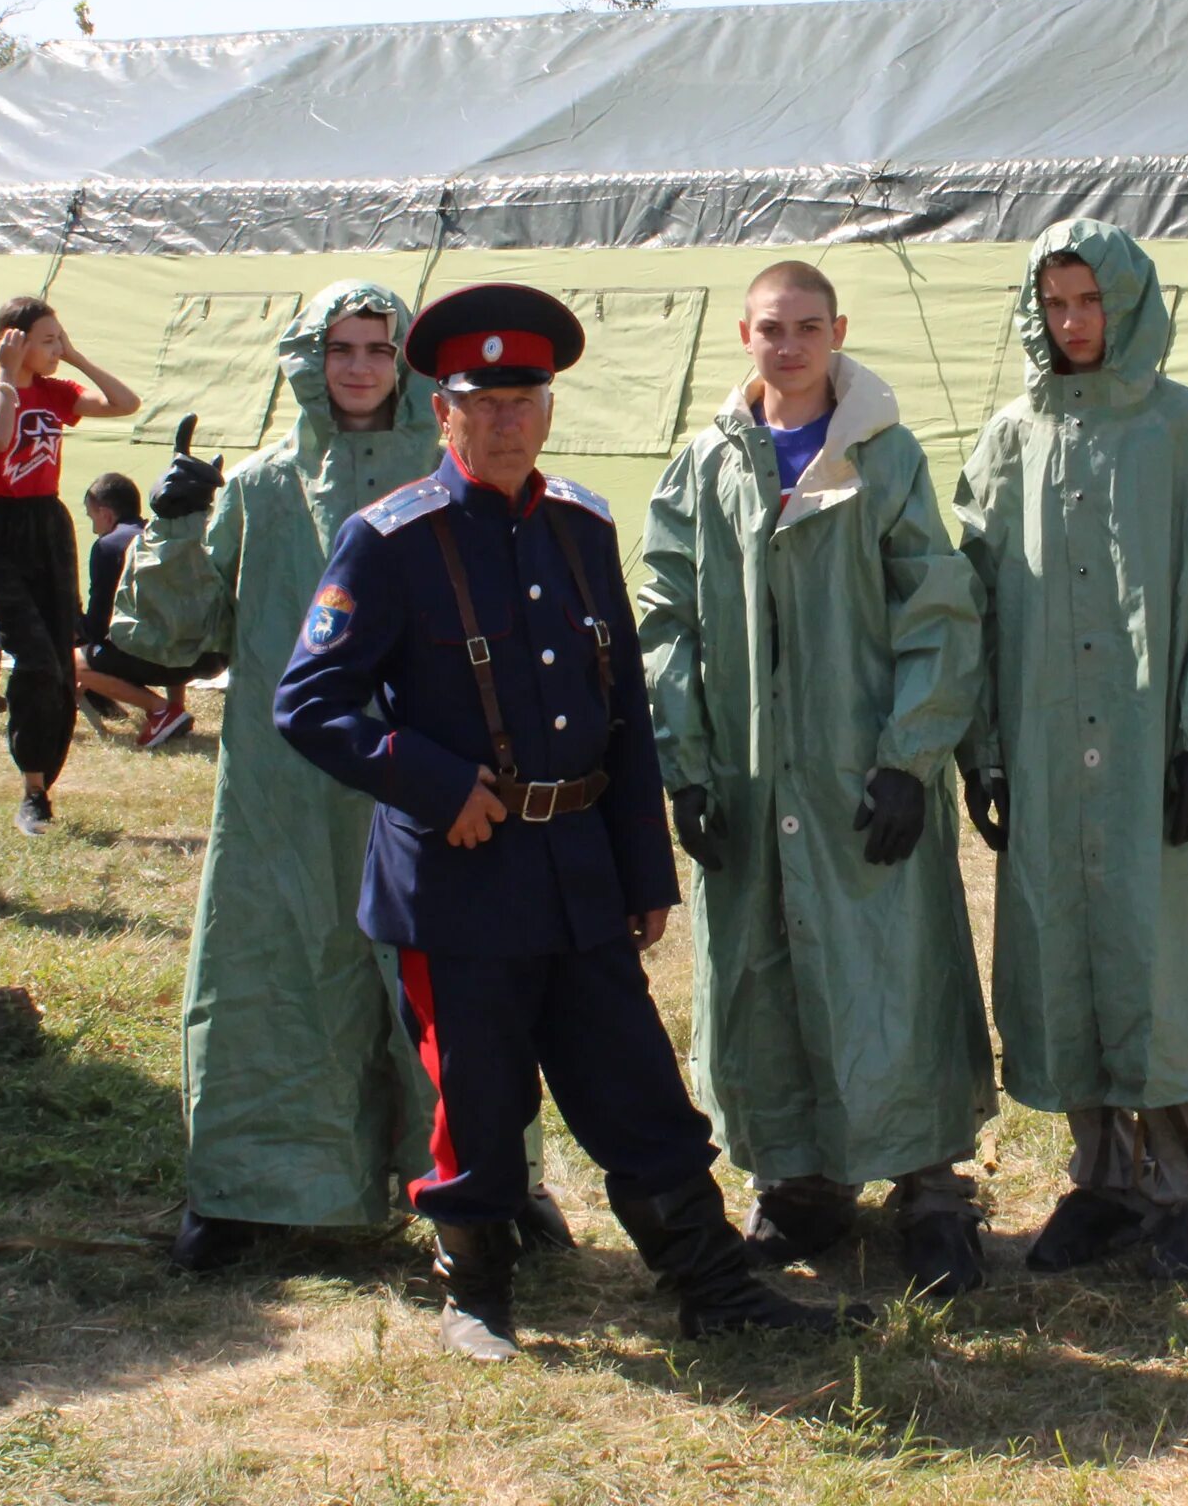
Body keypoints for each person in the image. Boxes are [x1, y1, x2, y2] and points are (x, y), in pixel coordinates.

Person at [276, 282, 853, 1359]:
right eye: (480, 401)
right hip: (459, 880)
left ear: (548, 409)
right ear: (440, 410)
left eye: (524, 399)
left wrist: (644, 869)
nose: (504, 421)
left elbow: (622, 709)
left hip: (577, 867)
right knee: (479, 1099)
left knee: (636, 1080)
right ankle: (476, 1295)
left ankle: (713, 1284)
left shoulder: (583, 527)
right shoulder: (388, 541)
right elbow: (307, 703)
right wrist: (435, 782)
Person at [109, 284, 570, 1274]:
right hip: (282, 786)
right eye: (341, 347)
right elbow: (167, 638)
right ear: (307, 359)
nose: (358, 367)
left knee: (453, 982)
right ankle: (243, 1184)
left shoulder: (450, 475)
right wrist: (176, 525)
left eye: (379, 348)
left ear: (410, 363)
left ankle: (495, 1183)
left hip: (424, 771)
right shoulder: (265, 487)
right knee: (270, 971)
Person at [637, 260, 995, 1295]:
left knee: (896, 969)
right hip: (751, 779)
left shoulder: (882, 460)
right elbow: (669, 616)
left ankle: (931, 1183)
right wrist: (689, 764)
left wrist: (907, 757)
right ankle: (798, 1178)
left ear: (838, 330)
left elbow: (936, 608)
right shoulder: (705, 465)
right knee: (765, 972)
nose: (787, 346)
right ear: (741, 336)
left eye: (805, 327)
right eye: (768, 328)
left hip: (861, 776)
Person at [954, 220, 1188, 1282]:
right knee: (1070, 960)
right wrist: (988, 750)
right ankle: (1106, 1179)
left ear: (1132, 303)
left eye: (1090, 302)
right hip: (1054, 760)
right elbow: (971, 601)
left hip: (1157, 756)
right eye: (1055, 304)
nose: (1072, 324)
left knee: (1170, 961)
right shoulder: (1011, 439)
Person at [0, 296, 140, 836]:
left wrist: (76, 357)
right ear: (12, 340)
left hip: (46, 526)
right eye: (48, 339)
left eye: (60, 337)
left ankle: (40, 787)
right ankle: (32, 791)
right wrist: (7, 376)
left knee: (57, 662)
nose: (57, 347)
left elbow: (125, 403)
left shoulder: (56, 392)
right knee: (33, 658)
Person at [75, 470, 202, 751]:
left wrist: (74, 621)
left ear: (106, 514)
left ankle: (161, 709)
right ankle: (176, 706)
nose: (94, 526)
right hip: (194, 658)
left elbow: (97, 627)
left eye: (92, 516)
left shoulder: (108, 547)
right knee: (165, 621)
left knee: (74, 662)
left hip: (156, 659)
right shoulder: (161, 538)